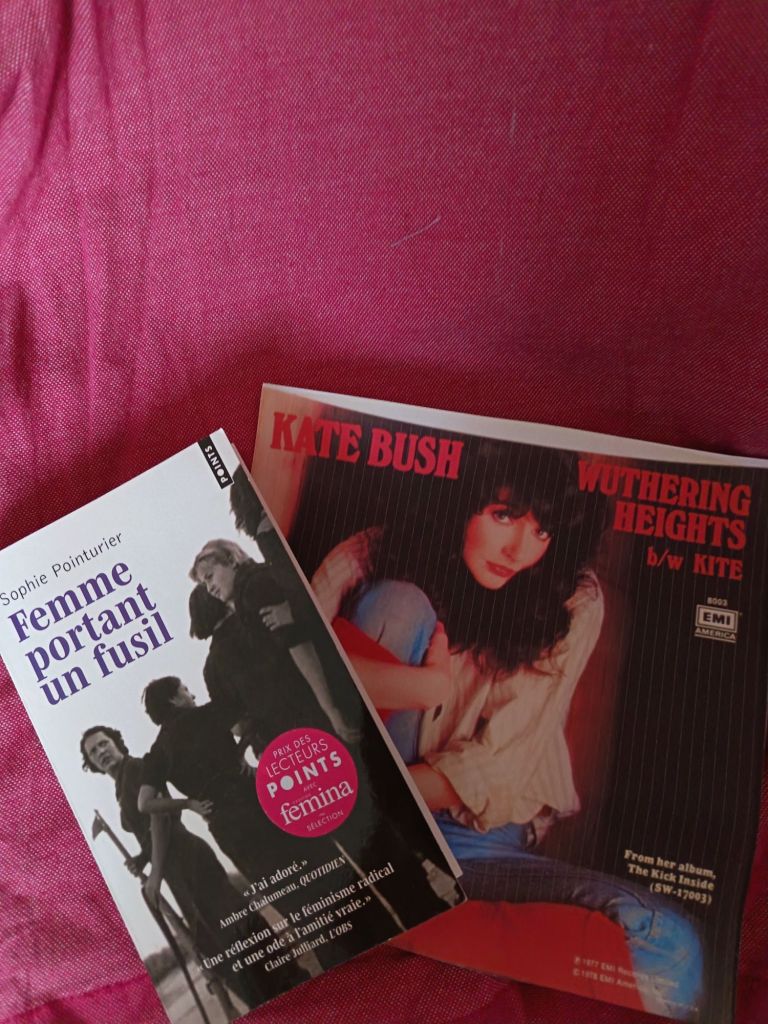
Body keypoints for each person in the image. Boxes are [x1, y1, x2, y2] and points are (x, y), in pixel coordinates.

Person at [308, 439, 703, 1020]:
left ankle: (391, 911)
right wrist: (422, 688)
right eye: (504, 515)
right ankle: (386, 895)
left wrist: (369, 801)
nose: (520, 549)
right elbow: (293, 663)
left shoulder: (573, 598)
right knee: (398, 601)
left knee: (669, 942)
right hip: (370, 821)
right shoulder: (383, 551)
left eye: (542, 531)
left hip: (477, 840)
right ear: (460, 500)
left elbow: (500, 764)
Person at [80, 725, 261, 1009]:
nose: (100, 751)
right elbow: (148, 832)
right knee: (213, 945)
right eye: (93, 752)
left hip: (187, 858)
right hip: (175, 869)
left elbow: (162, 818)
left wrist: (154, 876)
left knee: (231, 933)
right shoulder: (122, 784)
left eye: (103, 743)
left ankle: (282, 990)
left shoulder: (136, 768)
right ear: (91, 763)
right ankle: (263, 1003)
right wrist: (143, 858)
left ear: (116, 742)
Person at [189, 538, 355, 753]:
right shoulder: (251, 588)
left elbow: (298, 644)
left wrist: (329, 707)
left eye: (210, 576)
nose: (209, 588)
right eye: (204, 583)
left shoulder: (253, 589)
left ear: (231, 560)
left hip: (319, 704)